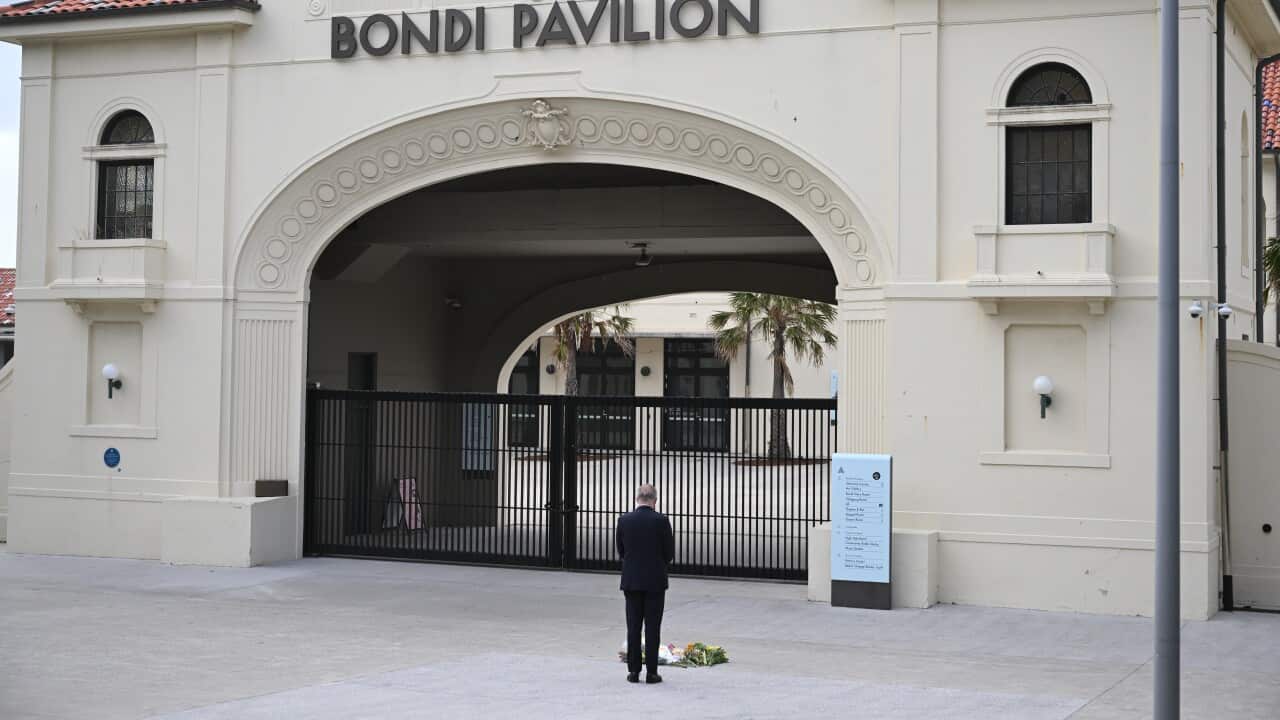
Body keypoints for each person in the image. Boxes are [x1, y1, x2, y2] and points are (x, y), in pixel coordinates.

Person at [615, 483, 675, 685]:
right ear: (655, 501)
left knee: (633, 627)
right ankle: (651, 672)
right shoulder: (662, 521)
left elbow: (621, 550)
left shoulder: (624, 520)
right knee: (652, 627)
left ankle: (633, 672)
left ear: (636, 499)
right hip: (655, 581)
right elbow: (669, 553)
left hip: (631, 581)